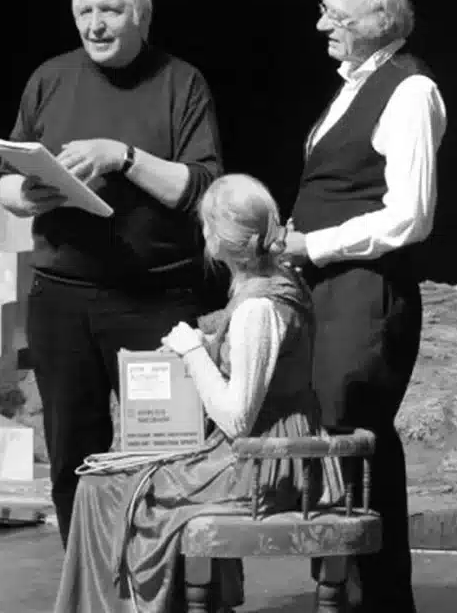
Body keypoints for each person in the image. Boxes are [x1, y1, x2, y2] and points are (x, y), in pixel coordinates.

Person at [0, 0, 224, 547]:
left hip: (154, 304)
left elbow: (198, 186)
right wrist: (28, 192)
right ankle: (90, 585)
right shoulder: (50, 78)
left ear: (139, 17)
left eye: (110, 11)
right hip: (62, 301)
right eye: (84, 12)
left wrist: (119, 155)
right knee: (74, 455)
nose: (94, 24)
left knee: (171, 456)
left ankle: (176, 590)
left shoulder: (181, 82)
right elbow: (3, 182)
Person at [52, 173, 343, 613]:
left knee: (103, 488)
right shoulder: (272, 284)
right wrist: (211, 345)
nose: (203, 232)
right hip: (267, 450)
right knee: (111, 476)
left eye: (207, 224)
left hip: (266, 460)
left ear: (222, 238)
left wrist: (193, 353)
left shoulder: (258, 307)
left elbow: (237, 418)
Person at [283, 0, 448, 612]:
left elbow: (411, 215)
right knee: (336, 435)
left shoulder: (409, 91)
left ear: (381, 23)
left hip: (368, 293)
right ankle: (346, 590)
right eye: (324, 9)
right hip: (328, 290)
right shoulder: (355, 85)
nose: (322, 24)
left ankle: (377, 598)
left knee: (355, 431)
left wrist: (314, 243)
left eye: (337, 15)